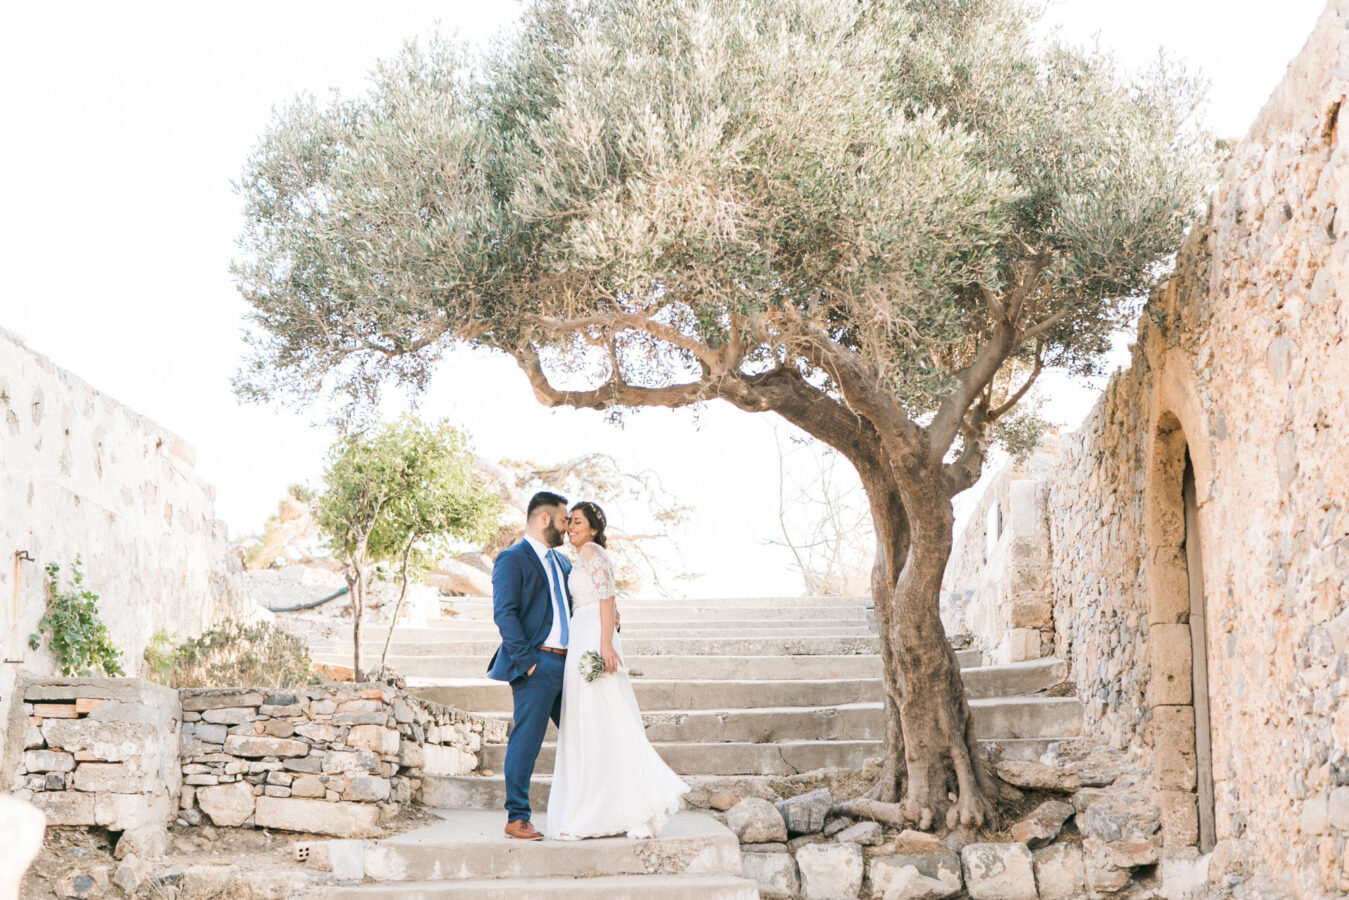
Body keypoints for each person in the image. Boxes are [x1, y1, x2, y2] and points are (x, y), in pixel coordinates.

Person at [545, 500, 690, 840]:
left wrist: (606, 644)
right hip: (583, 634)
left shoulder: (594, 553)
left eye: (578, 522)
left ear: (594, 528)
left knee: (604, 719)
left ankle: (627, 808)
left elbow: (607, 600)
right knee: (590, 722)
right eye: (570, 523)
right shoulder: (580, 558)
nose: (571, 528)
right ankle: (599, 809)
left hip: (595, 638)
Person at [487, 491, 572, 841]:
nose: (568, 527)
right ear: (544, 519)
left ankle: (592, 810)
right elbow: (504, 613)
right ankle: (517, 817)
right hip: (537, 665)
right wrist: (529, 663)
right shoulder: (512, 558)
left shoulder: (565, 563)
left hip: (571, 667)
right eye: (564, 519)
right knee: (527, 741)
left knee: (584, 737)